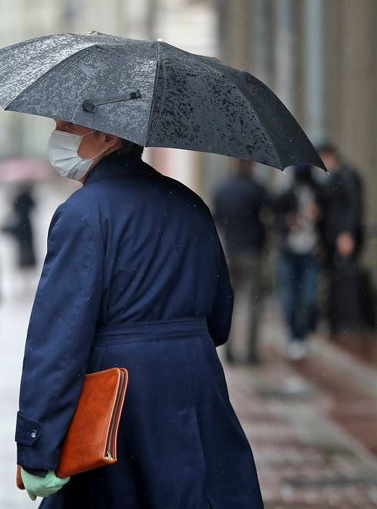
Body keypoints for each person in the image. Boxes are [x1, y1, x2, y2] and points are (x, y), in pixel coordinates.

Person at [16, 121, 263, 508]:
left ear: (109, 136)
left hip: (121, 399)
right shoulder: (190, 203)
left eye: (69, 125)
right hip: (197, 387)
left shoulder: (83, 213)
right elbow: (220, 317)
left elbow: (60, 340)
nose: (58, 132)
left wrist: (36, 442)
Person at [212, 159, 269, 364]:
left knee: (229, 303)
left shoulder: (223, 188)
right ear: (251, 166)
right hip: (251, 252)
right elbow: (267, 214)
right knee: (254, 304)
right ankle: (251, 352)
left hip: (229, 252)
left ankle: (229, 351)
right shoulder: (256, 189)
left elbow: (217, 217)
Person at [272, 166, 323, 361]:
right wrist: (288, 220)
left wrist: (319, 215)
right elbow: (274, 214)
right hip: (289, 252)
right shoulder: (287, 192)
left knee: (309, 298)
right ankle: (295, 336)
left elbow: (328, 216)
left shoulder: (319, 192)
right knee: (289, 298)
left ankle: (303, 332)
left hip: (310, 252)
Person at [317, 144, 366, 335]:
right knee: (338, 281)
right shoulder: (335, 177)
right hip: (334, 239)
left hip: (342, 238)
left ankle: (349, 323)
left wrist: (347, 233)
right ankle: (339, 322)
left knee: (346, 280)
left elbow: (354, 206)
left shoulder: (346, 176)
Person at [2, 185, 38, 292]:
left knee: (25, 260)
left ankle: (25, 283)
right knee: (26, 260)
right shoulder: (25, 215)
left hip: (24, 241)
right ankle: (26, 283)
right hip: (26, 240)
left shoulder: (21, 215)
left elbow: (17, 229)